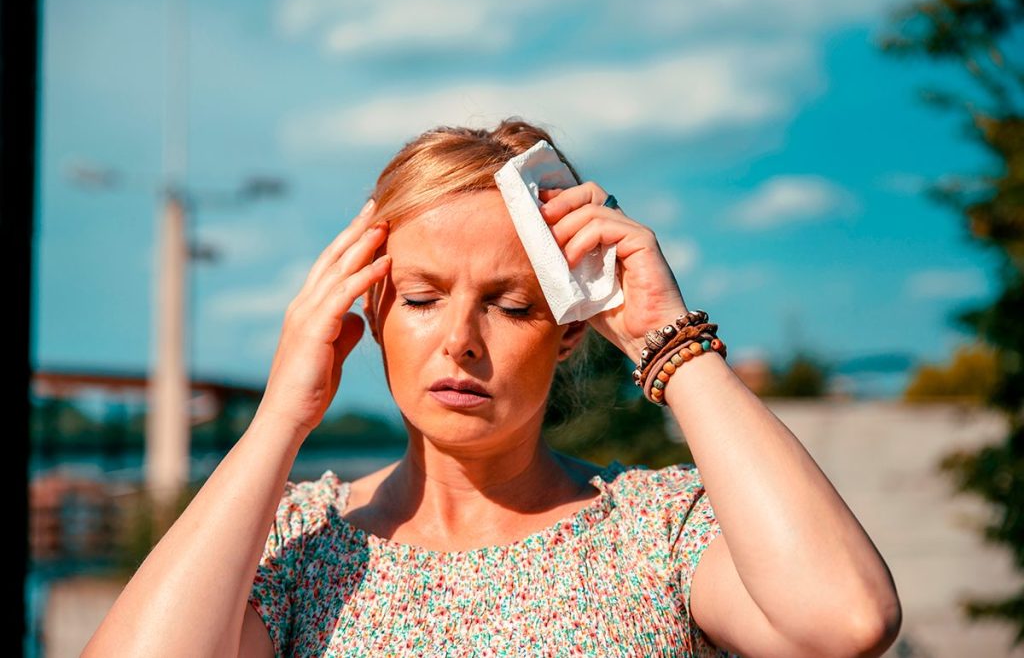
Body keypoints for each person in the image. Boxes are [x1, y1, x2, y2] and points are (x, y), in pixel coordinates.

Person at [84, 118, 901, 657]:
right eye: (422, 296)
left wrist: (669, 338)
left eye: (510, 304)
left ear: (571, 326)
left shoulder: (655, 532)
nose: (461, 341)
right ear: (369, 306)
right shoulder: (299, 546)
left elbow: (847, 620)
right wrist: (279, 419)